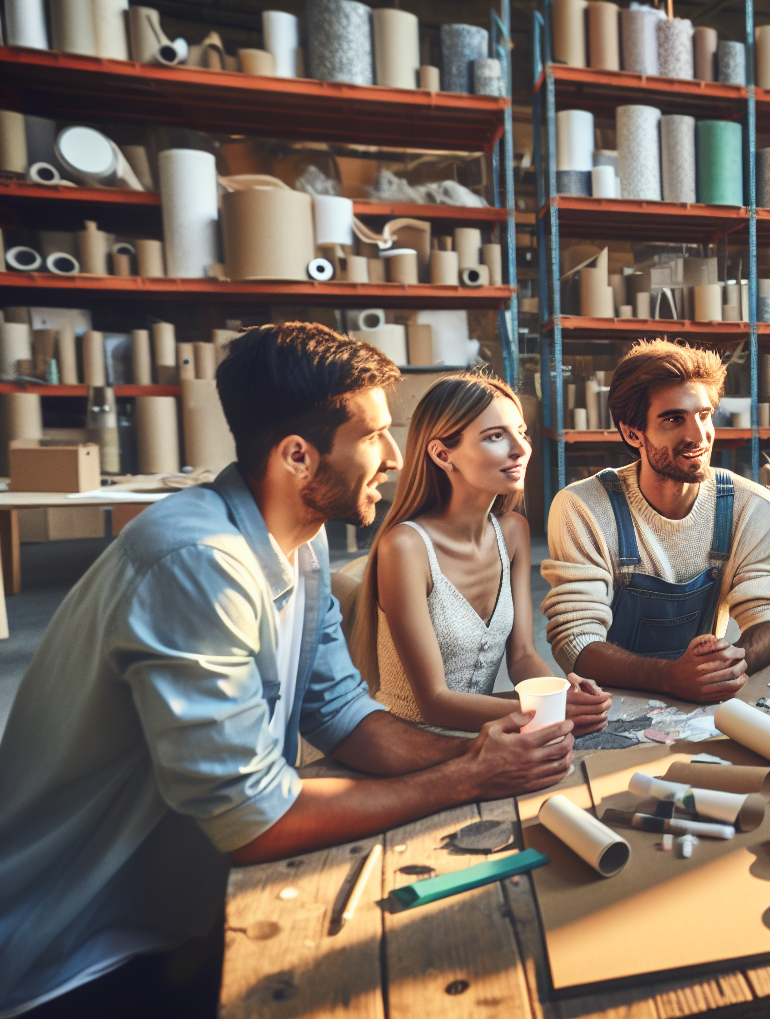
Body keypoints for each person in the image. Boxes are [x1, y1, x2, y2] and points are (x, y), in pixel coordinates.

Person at [0, 324, 574, 1018]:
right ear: (299, 456)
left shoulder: (299, 544)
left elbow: (344, 716)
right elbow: (254, 820)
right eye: (373, 436)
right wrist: (468, 777)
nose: (395, 458)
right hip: (78, 952)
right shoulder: (200, 563)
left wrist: (485, 754)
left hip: (186, 912)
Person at [350, 373, 612, 736]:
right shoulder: (405, 547)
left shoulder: (513, 532)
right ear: (443, 455)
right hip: (406, 740)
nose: (520, 449)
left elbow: (521, 656)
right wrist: (549, 711)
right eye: (495, 436)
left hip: (485, 734)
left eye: (521, 432)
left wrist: (565, 694)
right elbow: (434, 701)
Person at [542, 339, 770, 702]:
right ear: (632, 433)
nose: (697, 435)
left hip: (703, 703)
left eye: (704, 415)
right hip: (612, 703)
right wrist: (670, 677)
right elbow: (574, 640)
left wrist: (737, 661)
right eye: (674, 419)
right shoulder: (584, 507)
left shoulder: (749, 505)